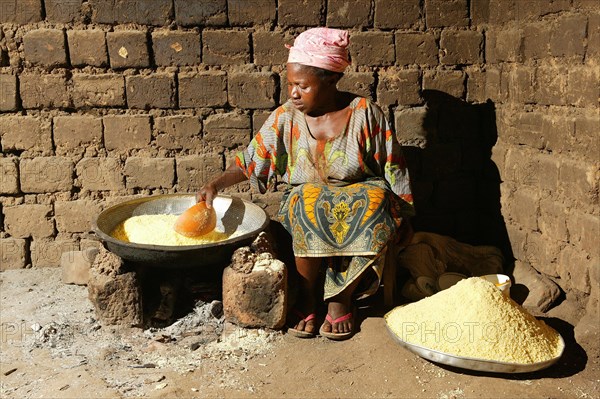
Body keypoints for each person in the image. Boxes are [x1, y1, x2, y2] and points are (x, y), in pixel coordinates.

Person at [196, 27, 414, 340]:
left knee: (374, 201)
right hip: (306, 197)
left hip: (360, 196)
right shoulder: (285, 118)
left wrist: (405, 215)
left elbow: (394, 167)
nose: (294, 93)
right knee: (307, 201)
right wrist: (216, 183)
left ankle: (341, 299)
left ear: (330, 80)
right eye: (291, 85)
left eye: (303, 86)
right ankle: (309, 296)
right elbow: (251, 160)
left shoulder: (365, 114)